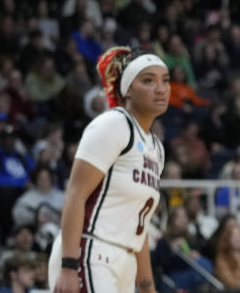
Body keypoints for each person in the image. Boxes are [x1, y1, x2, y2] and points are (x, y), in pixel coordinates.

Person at [49, 48, 169, 293]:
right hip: (90, 251)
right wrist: (69, 266)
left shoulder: (156, 148)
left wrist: (146, 286)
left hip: (125, 261)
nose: (160, 89)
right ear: (127, 90)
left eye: (165, 81)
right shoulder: (114, 124)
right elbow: (75, 194)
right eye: (148, 81)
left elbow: (139, 223)